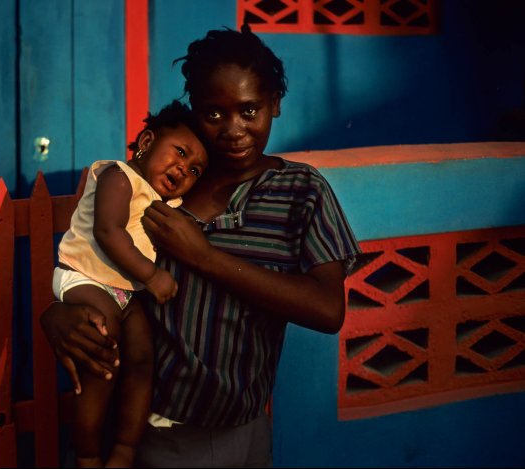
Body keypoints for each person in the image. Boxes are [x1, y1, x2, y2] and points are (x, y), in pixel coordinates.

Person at [41, 24, 360, 467]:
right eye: (214, 114)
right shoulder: (163, 185)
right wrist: (58, 312)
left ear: (275, 105)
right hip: (152, 430)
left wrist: (205, 257)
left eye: (250, 111)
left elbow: (328, 310)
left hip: (242, 430)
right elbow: (99, 258)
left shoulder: (300, 191)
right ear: (196, 111)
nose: (234, 130)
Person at [52, 100, 208, 468]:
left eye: (194, 169)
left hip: (125, 291)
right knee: (104, 353)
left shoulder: (167, 201)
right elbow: (108, 231)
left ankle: (124, 449)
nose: (182, 169)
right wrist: (153, 276)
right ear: (147, 141)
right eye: (180, 153)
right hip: (84, 276)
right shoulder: (119, 176)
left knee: (141, 358)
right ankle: (87, 455)